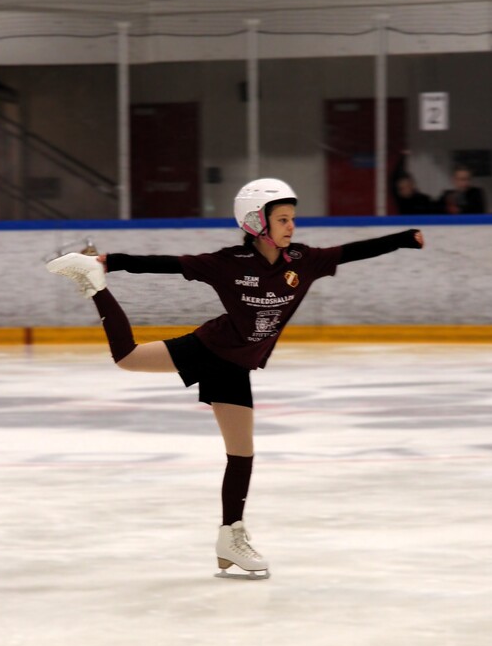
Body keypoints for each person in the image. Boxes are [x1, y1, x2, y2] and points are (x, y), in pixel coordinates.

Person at [47, 178, 424, 579]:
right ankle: (95, 285)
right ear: (257, 221)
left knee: (241, 453)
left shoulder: (304, 261)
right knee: (128, 357)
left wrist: (403, 239)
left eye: (292, 218)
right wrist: (110, 261)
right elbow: (170, 263)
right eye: (282, 219)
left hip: (236, 365)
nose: (291, 226)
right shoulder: (229, 263)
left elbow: (352, 252)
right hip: (210, 348)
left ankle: (230, 537)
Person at [390, 151, 435, 215]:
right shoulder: (400, 201)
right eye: (402, 188)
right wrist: (403, 157)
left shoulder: (424, 200)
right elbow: (394, 177)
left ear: (412, 186)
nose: (405, 190)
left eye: (407, 186)